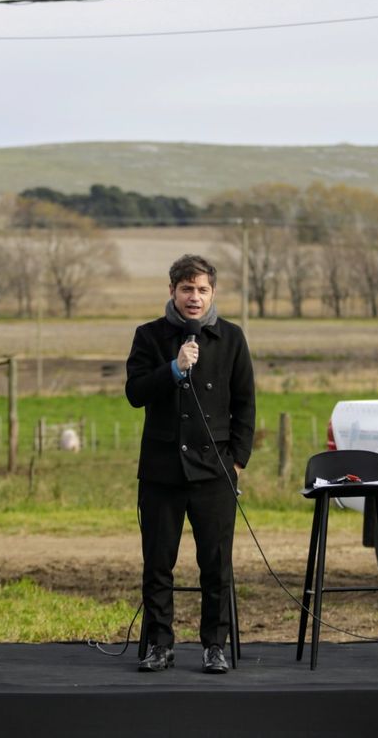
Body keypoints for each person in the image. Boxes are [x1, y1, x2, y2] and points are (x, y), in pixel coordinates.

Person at [125, 254, 255, 674]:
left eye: (201, 290)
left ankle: (214, 645)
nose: (194, 297)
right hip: (162, 470)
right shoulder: (149, 336)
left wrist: (237, 461)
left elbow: (245, 404)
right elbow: (135, 392)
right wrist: (174, 369)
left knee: (216, 564)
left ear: (212, 293)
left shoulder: (231, 338)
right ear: (172, 292)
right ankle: (160, 645)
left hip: (214, 469)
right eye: (186, 289)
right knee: (158, 563)